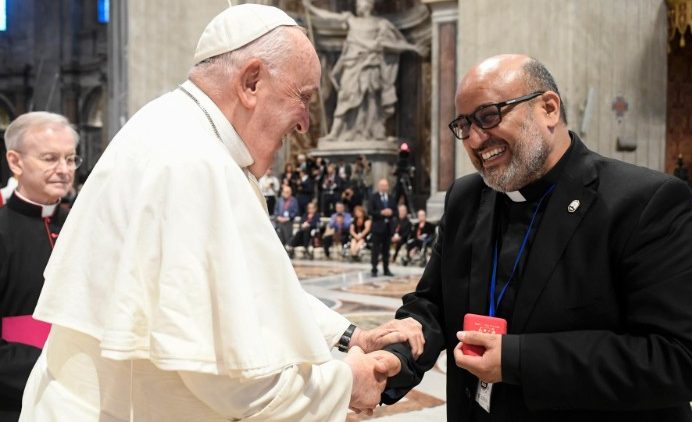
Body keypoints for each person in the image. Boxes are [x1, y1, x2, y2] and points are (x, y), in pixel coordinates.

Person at [20, 5, 425, 421]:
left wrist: (350, 336)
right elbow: (240, 384)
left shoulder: (180, 133)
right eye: (302, 97)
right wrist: (347, 382)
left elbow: (247, 289)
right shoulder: (192, 163)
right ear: (251, 82)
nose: (305, 123)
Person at [378, 54, 692, 421]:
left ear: (548, 108)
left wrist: (519, 360)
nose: (477, 139)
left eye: (489, 116)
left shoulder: (642, 202)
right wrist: (400, 352)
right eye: (464, 125)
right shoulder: (467, 197)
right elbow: (433, 302)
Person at [0, 112, 79, 420]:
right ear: (16, 162)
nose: (64, 170)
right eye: (50, 159)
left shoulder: (82, 223)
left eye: (71, 159)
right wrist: (52, 369)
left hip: (84, 392)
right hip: (17, 398)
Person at [302, 0, 422, 141]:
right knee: (345, 97)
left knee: (371, 98)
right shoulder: (351, 20)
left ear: (371, 5)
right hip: (352, 64)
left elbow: (392, 43)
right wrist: (311, 8)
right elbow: (330, 17)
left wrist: (413, 48)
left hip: (371, 64)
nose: (359, 5)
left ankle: (376, 131)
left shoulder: (380, 23)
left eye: (362, 2)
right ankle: (336, 132)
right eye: (358, 3)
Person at [368, 178, 396, 276]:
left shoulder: (391, 197)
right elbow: (370, 211)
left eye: (386, 185)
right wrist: (381, 212)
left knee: (386, 250)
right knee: (375, 250)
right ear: (379, 186)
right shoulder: (373, 197)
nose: (384, 187)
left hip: (388, 228)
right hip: (377, 227)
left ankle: (386, 269)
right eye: (382, 185)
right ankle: (374, 269)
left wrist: (391, 212)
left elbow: (395, 211)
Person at [274, 184, 299, 252]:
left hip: (288, 222)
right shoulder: (279, 200)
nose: (286, 193)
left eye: (287, 192)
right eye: (284, 192)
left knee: (288, 238)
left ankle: (288, 253)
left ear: (290, 193)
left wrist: (287, 218)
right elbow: (276, 211)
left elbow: (295, 211)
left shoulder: (293, 200)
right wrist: (278, 217)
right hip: (279, 222)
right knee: (279, 239)